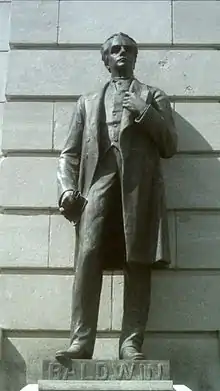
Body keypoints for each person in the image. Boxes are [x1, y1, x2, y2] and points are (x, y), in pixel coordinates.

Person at [56, 32, 177, 362]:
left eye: (127, 49)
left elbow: (169, 145)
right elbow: (69, 153)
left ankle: (130, 344)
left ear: (135, 57)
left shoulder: (153, 96)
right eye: (114, 50)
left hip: (139, 191)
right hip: (98, 184)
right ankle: (81, 342)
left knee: (137, 260)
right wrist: (67, 188)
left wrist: (144, 111)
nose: (121, 53)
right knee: (88, 256)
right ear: (105, 59)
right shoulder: (87, 101)